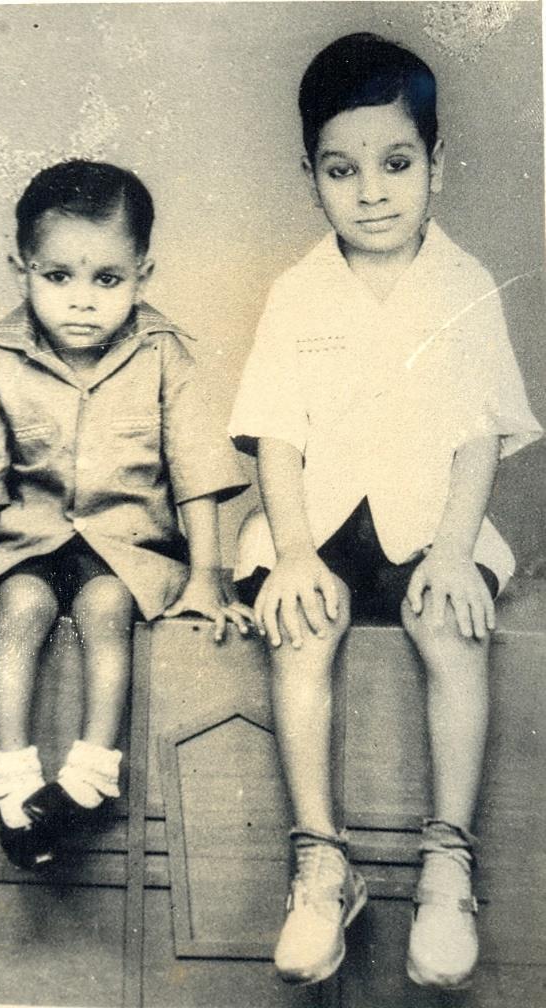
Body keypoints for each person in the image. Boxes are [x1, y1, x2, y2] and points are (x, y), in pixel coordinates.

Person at [229, 33, 542, 990]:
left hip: (431, 523)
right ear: (311, 179)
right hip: (317, 525)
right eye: (342, 170)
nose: (370, 193)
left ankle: (446, 865)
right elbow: (275, 436)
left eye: (395, 164)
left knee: (447, 621)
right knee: (299, 622)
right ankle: (320, 862)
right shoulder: (296, 292)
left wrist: (451, 552)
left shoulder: (464, 284)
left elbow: (478, 437)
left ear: (435, 165)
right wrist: (292, 553)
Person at [0, 159, 251, 873]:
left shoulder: (164, 355)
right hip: (31, 541)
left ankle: (89, 776)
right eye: (57, 277)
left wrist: (206, 576)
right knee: (19, 609)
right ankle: (13, 781)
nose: (81, 302)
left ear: (143, 273)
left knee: (105, 609)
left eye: (107, 280)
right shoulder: (0, 360)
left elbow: (197, 470)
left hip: (130, 549)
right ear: (21, 270)